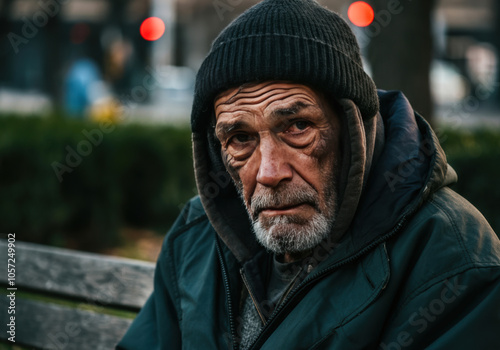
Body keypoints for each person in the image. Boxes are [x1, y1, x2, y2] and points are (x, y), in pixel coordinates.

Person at [117, 0, 500, 349]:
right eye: (240, 139)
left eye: (298, 127)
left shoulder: (454, 257)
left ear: (353, 129)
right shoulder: (194, 237)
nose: (269, 172)